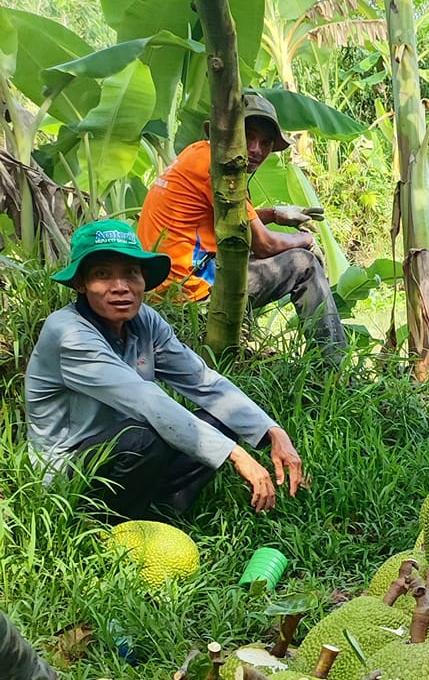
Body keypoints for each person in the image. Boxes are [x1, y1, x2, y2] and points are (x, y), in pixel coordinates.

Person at [24, 219, 306, 521]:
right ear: (81, 284)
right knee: (144, 434)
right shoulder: (68, 333)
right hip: (70, 471)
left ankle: (163, 512)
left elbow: (203, 382)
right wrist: (234, 455)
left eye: (131, 273)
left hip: (128, 447)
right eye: (102, 275)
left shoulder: (145, 320)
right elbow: (147, 401)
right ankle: (113, 528)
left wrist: (272, 430)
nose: (120, 288)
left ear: (143, 278)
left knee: (221, 420)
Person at [137, 91, 347, 358]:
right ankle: (333, 365)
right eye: (248, 136)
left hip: (168, 289)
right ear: (226, 133)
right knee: (303, 264)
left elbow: (228, 219)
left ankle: (245, 343)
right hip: (191, 296)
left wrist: (275, 214)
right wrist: (306, 241)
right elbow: (264, 244)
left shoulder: (199, 153)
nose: (256, 149)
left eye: (265, 142)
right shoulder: (220, 168)